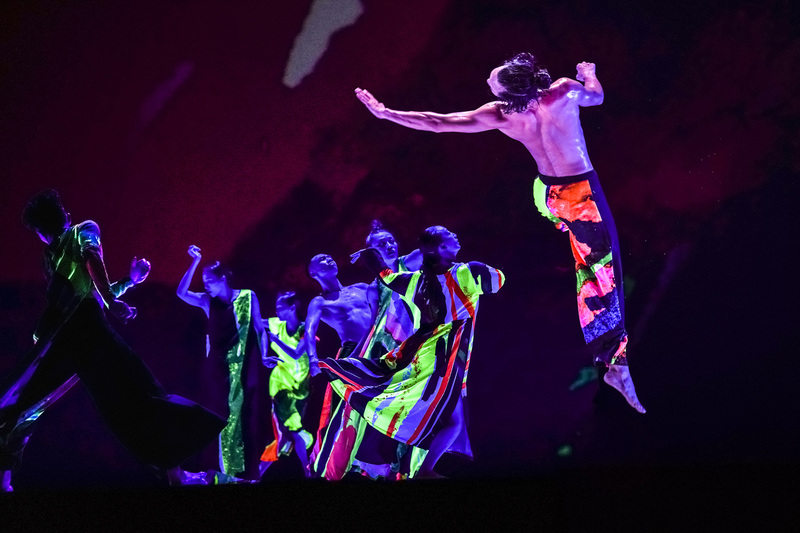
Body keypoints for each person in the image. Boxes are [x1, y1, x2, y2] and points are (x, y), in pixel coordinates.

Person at [355, 53, 645, 413]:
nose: (487, 82)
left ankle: (558, 223)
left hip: (548, 193)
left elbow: (438, 123)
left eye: (492, 79)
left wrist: (387, 114)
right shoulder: (564, 92)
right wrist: (589, 74)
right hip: (579, 195)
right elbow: (596, 96)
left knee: (578, 243)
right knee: (602, 271)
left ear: (510, 90)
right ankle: (614, 362)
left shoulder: (503, 114)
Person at [0, 189, 225, 491]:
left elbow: (83, 289)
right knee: (142, 393)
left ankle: (4, 481)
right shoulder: (83, 231)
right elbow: (91, 268)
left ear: (42, 232)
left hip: (61, 340)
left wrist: (127, 284)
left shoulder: (51, 253)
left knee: (25, 402)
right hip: (87, 332)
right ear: (65, 215)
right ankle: (178, 475)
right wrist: (112, 300)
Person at [315, 226, 505, 477]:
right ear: (441, 248)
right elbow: (498, 280)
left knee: (452, 421)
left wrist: (371, 257)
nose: (456, 234)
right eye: (450, 234)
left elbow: (387, 275)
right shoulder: (465, 273)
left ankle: (421, 468)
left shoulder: (415, 281)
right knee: (447, 419)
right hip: (444, 357)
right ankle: (415, 467)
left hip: (424, 353)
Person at [176, 245, 271, 483]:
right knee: (223, 416)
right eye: (204, 280)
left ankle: (243, 471)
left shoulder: (248, 296)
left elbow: (259, 329)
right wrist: (195, 262)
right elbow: (181, 292)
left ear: (224, 279)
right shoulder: (208, 301)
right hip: (217, 370)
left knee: (243, 416)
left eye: (209, 280)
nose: (205, 285)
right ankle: (222, 469)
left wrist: (266, 354)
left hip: (243, 366)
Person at [350, 220, 427, 478]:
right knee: (385, 410)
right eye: (381, 244)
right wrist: (353, 358)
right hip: (386, 352)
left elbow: (431, 247)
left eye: (391, 240)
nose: (389, 245)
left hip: (416, 347)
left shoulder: (410, 263)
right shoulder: (374, 288)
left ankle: (408, 465)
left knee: (412, 406)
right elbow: (372, 325)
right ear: (373, 251)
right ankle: (380, 466)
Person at [303, 253, 385, 480]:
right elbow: (310, 330)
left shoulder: (360, 287)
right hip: (352, 354)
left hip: (378, 350)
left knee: (381, 408)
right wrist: (313, 362)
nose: (329, 260)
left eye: (330, 257)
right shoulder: (320, 301)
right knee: (342, 412)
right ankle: (327, 465)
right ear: (314, 273)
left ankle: (375, 461)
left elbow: (388, 290)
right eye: (321, 260)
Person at [258, 291, 313, 478]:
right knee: (286, 430)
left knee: (288, 434)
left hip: (300, 386)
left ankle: (305, 469)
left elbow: (297, 354)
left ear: (292, 308)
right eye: (276, 307)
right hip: (281, 383)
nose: (277, 311)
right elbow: (257, 323)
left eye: (281, 307)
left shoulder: (306, 329)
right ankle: (260, 473)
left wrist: (274, 340)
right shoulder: (275, 324)